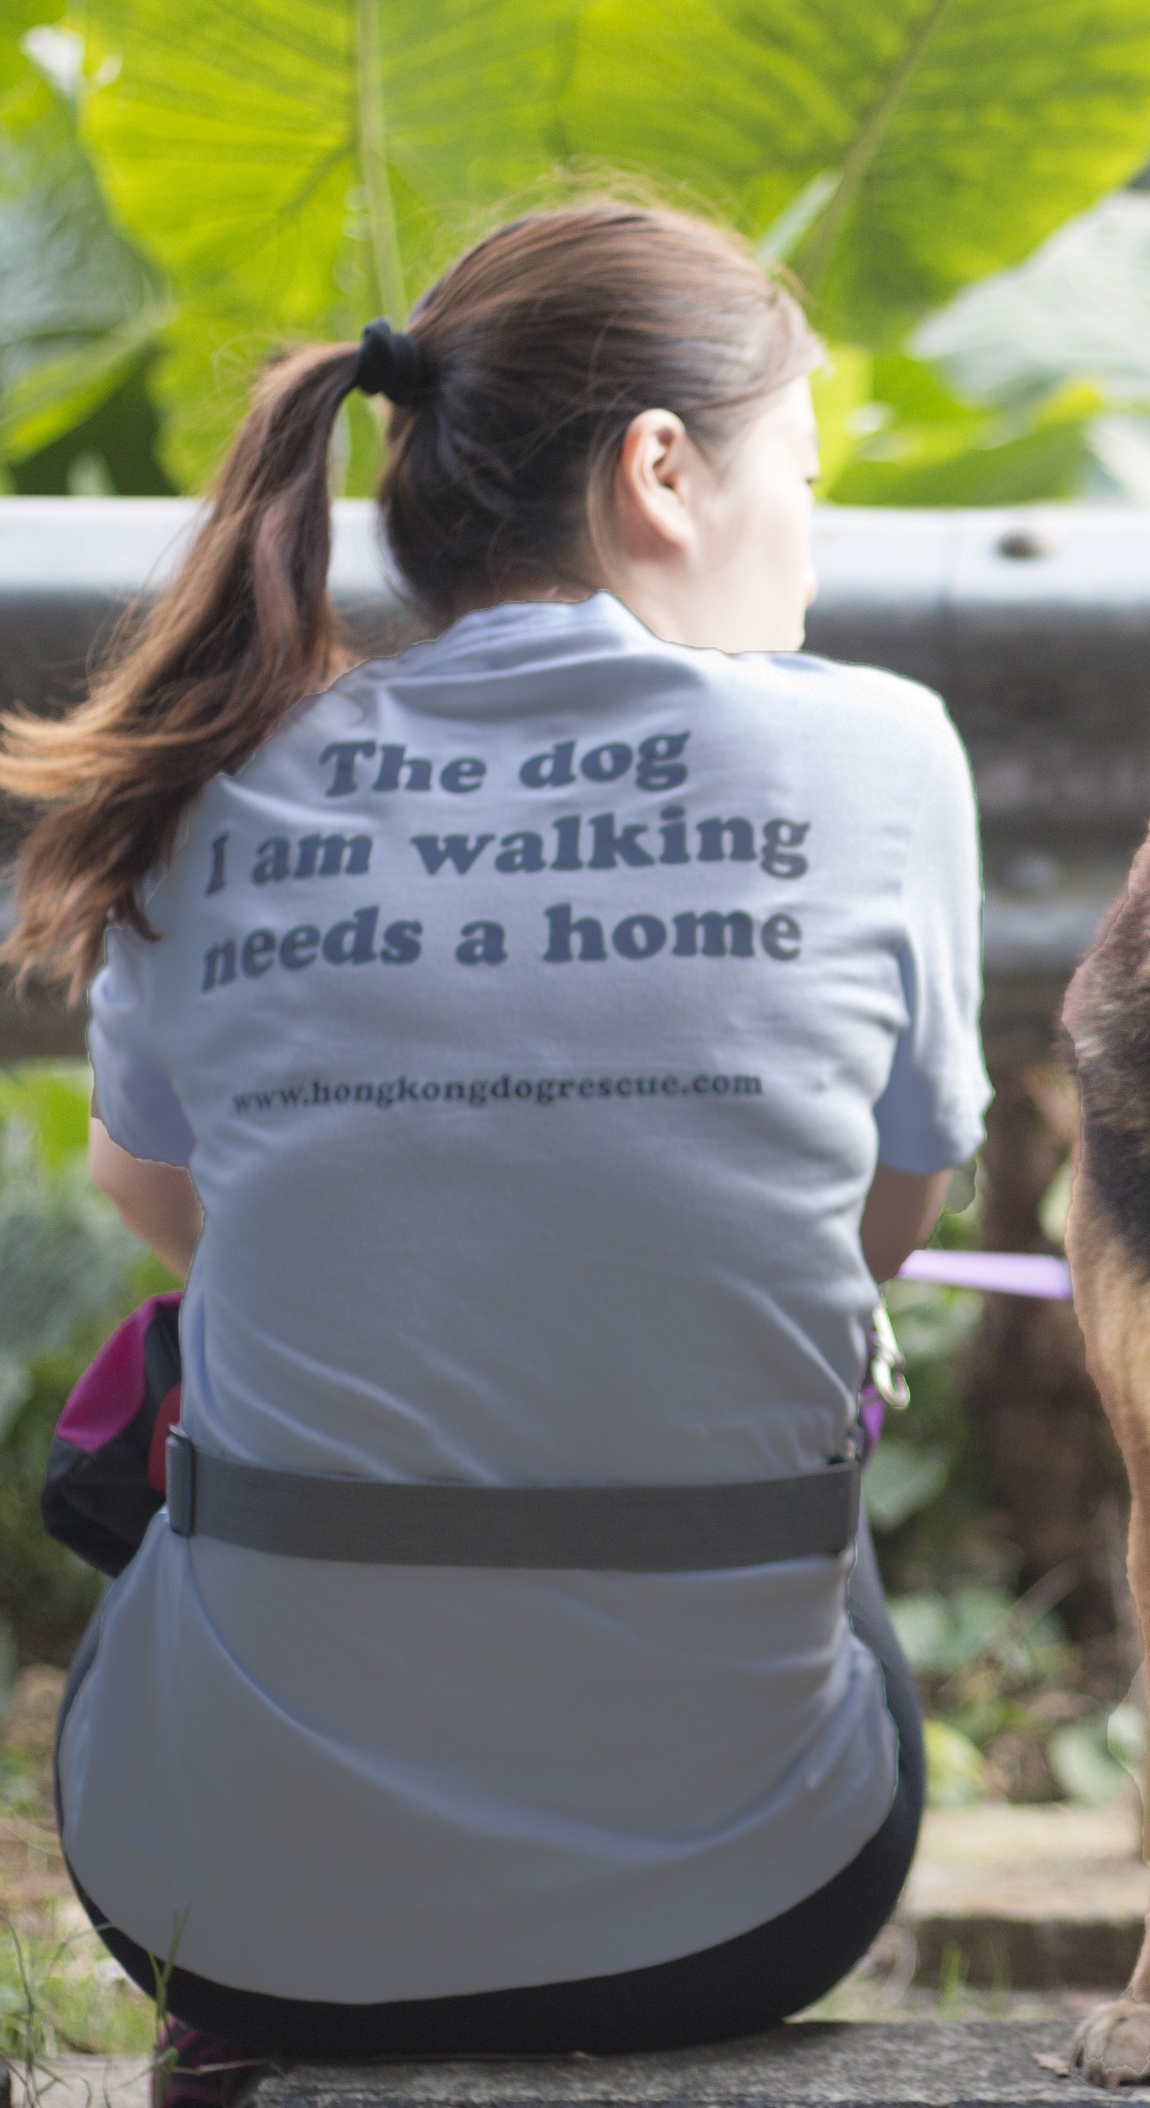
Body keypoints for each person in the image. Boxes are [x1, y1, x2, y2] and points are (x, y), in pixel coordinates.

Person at [0, 207, 991, 2087]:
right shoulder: (880, 751)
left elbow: (158, 1192)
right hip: (751, 1903)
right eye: (806, 466)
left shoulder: (209, 770)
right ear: (664, 472)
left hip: (213, 1894)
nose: (816, 526)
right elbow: (880, 1221)